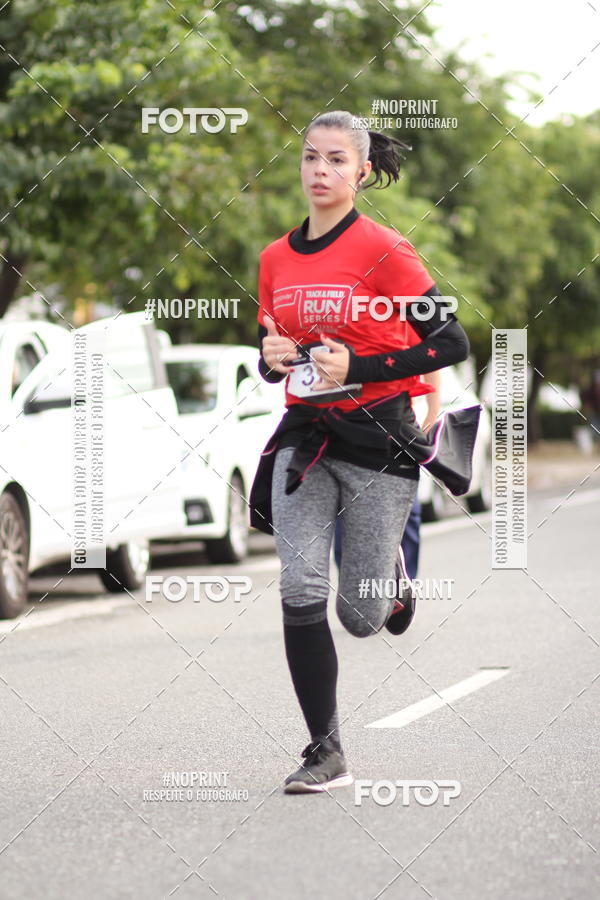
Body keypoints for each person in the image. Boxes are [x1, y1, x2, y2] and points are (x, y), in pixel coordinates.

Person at [252, 109, 470, 794]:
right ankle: (325, 752)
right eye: (311, 157)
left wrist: (366, 371)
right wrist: (270, 358)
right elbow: (271, 359)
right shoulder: (274, 259)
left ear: (363, 171)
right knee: (300, 587)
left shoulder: (386, 250)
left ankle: (393, 588)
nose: (321, 171)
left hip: (378, 440)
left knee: (361, 615)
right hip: (305, 442)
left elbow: (452, 344)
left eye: (337, 160)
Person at [333, 368, 441, 634]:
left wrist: (432, 411)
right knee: (345, 521)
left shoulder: (401, 327)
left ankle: (400, 592)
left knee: (407, 517)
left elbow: (434, 354)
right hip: (341, 429)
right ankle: (363, 591)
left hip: (393, 428)